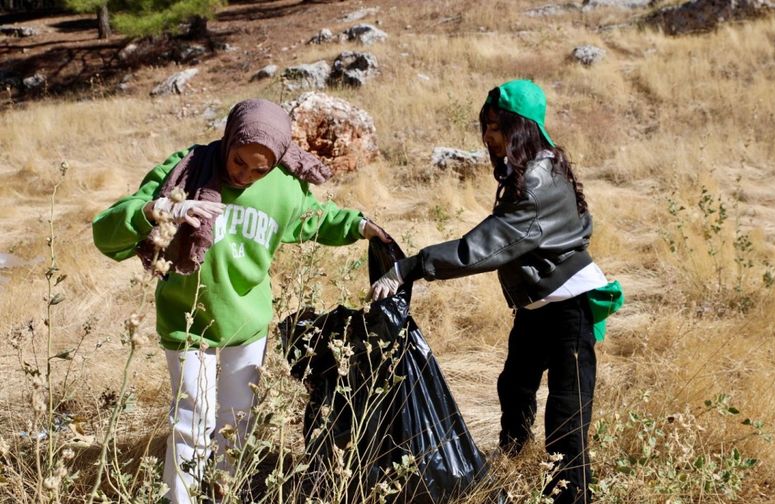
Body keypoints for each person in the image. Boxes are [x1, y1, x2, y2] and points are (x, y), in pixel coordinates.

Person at [92, 98, 390, 503]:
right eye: (238, 162)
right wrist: (159, 209)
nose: (246, 175)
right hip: (186, 320)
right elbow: (107, 231)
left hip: (246, 325)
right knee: (191, 423)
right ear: (228, 140)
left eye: (259, 168)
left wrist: (361, 226)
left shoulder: (284, 186)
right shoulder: (187, 169)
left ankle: (223, 495)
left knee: (237, 424)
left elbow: (316, 218)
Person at [371, 80, 614, 504]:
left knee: (566, 414)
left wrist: (410, 267)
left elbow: (484, 247)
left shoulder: (539, 180)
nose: (488, 137)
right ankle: (512, 464)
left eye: (497, 127)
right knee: (515, 386)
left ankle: (569, 497)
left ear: (522, 127)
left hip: (568, 309)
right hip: (539, 306)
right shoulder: (538, 165)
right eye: (485, 126)